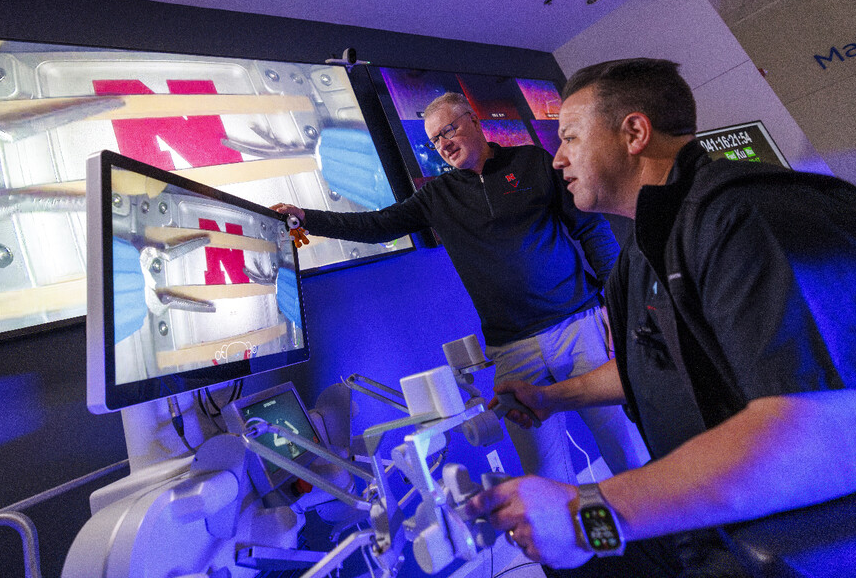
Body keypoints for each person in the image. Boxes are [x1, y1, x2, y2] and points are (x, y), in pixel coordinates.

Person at [469, 58, 856, 576]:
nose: (557, 159)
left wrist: (588, 513)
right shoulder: (639, 255)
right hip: (713, 528)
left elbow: (827, 441)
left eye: (572, 137)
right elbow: (657, 364)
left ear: (633, 132)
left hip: (812, 538)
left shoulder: (751, 213)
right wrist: (554, 397)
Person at [273, 92, 650, 483]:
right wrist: (306, 218)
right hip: (513, 349)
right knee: (544, 474)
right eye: (435, 139)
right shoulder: (438, 196)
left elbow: (592, 230)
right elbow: (375, 226)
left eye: (449, 130)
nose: (444, 143)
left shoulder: (532, 162)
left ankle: (663, 537)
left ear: (474, 120)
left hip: (579, 326)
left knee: (624, 445)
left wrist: (618, 307)